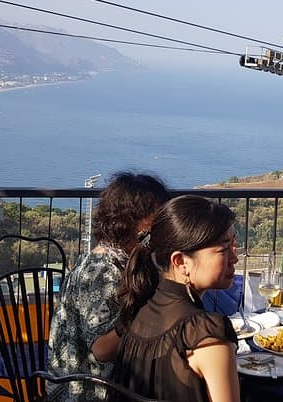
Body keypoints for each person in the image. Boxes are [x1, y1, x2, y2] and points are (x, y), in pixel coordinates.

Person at [100, 195, 240, 402]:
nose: (234, 257)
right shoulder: (206, 334)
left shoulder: (142, 307)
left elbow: (99, 350)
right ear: (181, 261)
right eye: (223, 249)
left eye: (234, 244)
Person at [46, 172, 168, 402]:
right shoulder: (101, 272)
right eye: (156, 217)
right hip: (87, 392)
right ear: (128, 220)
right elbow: (103, 351)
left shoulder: (127, 259)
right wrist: (159, 309)